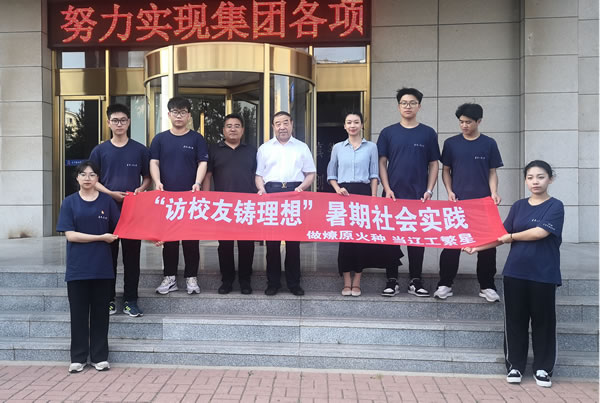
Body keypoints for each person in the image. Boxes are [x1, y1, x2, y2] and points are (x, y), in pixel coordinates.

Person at [464, 160, 564, 388]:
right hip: (515, 273)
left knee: (543, 322)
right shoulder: (519, 206)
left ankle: (543, 369)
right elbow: (501, 234)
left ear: (550, 179)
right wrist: (476, 247)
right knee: (515, 321)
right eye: (530, 177)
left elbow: (539, 233)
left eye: (540, 177)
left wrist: (511, 237)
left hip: (543, 274)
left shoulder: (555, 206)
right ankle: (515, 366)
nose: (535, 182)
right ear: (526, 180)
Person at [433, 103, 503, 303]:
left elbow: (492, 172)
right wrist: (449, 191)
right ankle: (445, 284)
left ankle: (487, 286)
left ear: (479, 121)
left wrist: (494, 192)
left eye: (468, 122)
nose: (464, 125)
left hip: (483, 203)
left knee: (487, 246)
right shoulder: (451, 143)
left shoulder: (489, 143)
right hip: (458, 203)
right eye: (461, 122)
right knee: (451, 245)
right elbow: (446, 170)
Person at [56, 161, 120, 373]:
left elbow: (122, 227)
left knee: (101, 315)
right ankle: (78, 358)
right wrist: (101, 237)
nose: (87, 178)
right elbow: (71, 235)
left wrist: (153, 237)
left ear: (98, 179)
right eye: (83, 174)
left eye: (92, 174)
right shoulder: (69, 202)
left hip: (102, 268)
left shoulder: (107, 202)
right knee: (79, 315)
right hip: (78, 269)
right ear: (77, 178)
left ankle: (100, 357)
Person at [377, 87, 440, 297]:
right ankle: (391, 279)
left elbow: (434, 164)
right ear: (398, 106)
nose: (408, 106)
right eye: (404, 103)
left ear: (419, 106)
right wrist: (386, 188)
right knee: (390, 240)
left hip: (418, 196)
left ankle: (415, 280)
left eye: (412, 103)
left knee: (417, 240)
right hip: (392, 195)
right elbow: (382, 162)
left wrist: (429, 190)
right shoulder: (388, 132)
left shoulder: (428, 133)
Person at [89, 103, 151, 317]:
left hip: (132, 210)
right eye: (115, 120)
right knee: (108, 257)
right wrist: (111, 193)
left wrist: (140, 189)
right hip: (106, 210)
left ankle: (130, 301)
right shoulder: (99, 151)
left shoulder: (140, 150)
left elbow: (147, 177)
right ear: (108, 123)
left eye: (123, 120)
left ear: (129, 122)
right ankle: (108, 299)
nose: (119, 124)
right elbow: (92, 179)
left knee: (132, 258)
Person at [150, 97, 209, 295]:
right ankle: (170, 277)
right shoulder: (160, 139)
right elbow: (154, 162)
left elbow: (202, 162)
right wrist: (157, 182)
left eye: (183, 112)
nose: (179, 116)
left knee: (191, 239)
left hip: (190, 197)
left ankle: (191, 277)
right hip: (167, 197)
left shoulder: (196, 139)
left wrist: (197, 182)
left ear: (189, 116)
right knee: (169, 240)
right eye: (175, 112)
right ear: (169, 114)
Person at [255, 111, 316, 296]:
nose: (282, 127)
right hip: (271, 193)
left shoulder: (302, 147)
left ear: (291, 124)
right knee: (272, 242)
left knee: (293, 242)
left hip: (294, 193)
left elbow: (310, 174)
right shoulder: (264, 148)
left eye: (285, 123)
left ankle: (294, 283)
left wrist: (301, 188)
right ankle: (272, 283)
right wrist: (262, 190)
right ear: (273, 126)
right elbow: (259, 175)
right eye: (278, 124)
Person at [202, 113, 257, 295]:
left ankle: (245, 280)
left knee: (246, 245)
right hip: (223, 207)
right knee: (225, 245)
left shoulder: (252, 151)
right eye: (229, 126)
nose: (233, 129)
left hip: (247, 206)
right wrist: (206, 199)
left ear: (243, 130)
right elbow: (208, 176)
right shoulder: (214, 150)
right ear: (223, 130)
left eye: (237, 126)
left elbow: (258, 176)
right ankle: (227, 280)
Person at [327, 112, 379, 296]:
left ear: (362, 125)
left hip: (364, 193)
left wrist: (373, 198)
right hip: (344, 194)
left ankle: (357, 281)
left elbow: (374, 175)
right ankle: (346, 281)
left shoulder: (371, 147)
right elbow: (331, 174)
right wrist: (337, 188)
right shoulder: (338, 148)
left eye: (356, 122)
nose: (352, 125)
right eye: (349, 122)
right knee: (345, 239)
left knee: (361, 239)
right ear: (344, 126)